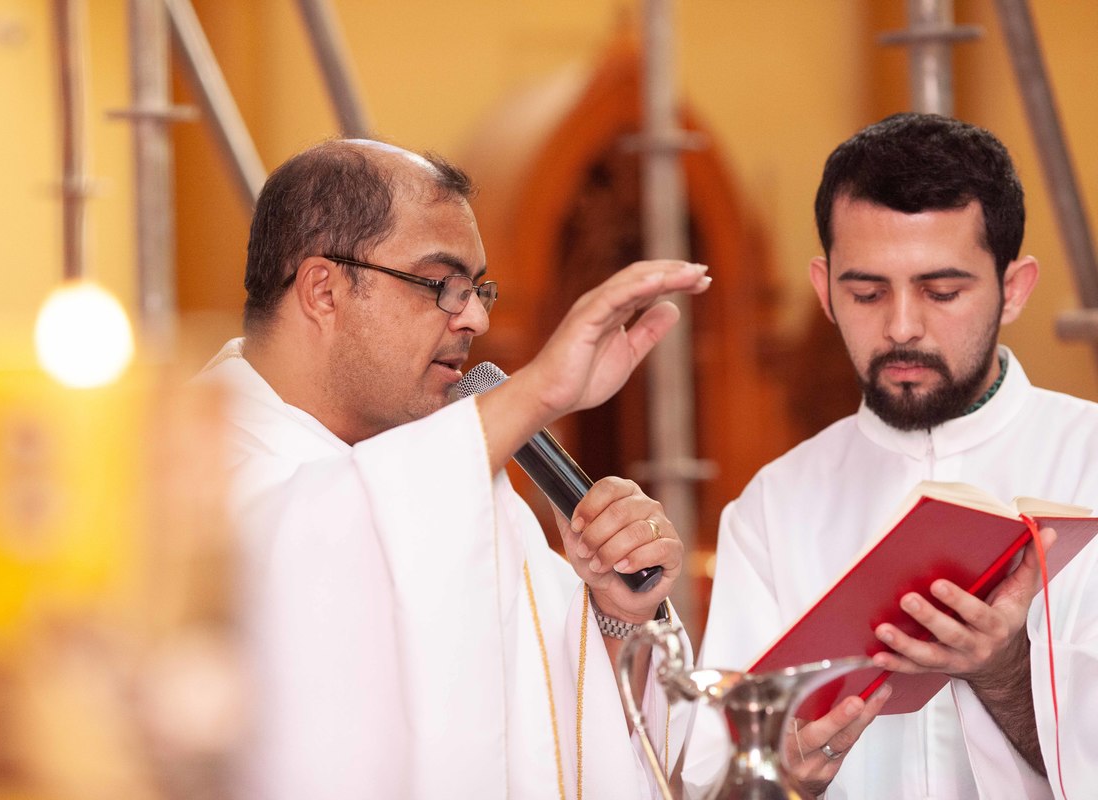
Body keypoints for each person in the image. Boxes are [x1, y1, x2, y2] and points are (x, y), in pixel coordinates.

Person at [197, 138, 712, 799]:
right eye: (443, 286)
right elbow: (311, 548)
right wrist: (537, 393)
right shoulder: (197, 469)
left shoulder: (463, 480)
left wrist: (616, 613)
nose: (476, 317)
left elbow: (566, 742)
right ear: (323, 290)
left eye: (479, 289)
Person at [694, 113, 1098, 799]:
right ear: (824, 290)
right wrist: (772, 776)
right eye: (867, 292)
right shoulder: (774, 506)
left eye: (943, 292)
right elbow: (716, 774)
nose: (902, 326)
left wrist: (1003, 671)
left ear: (1016, 287)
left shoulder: (1088, 460)